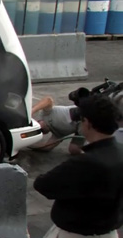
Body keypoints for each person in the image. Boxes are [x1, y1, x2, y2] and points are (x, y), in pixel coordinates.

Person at [34, 94, 123, 238]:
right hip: (110, 233)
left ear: (87, 123)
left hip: (75, 233)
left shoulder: (85, 162)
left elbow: (43, 185)